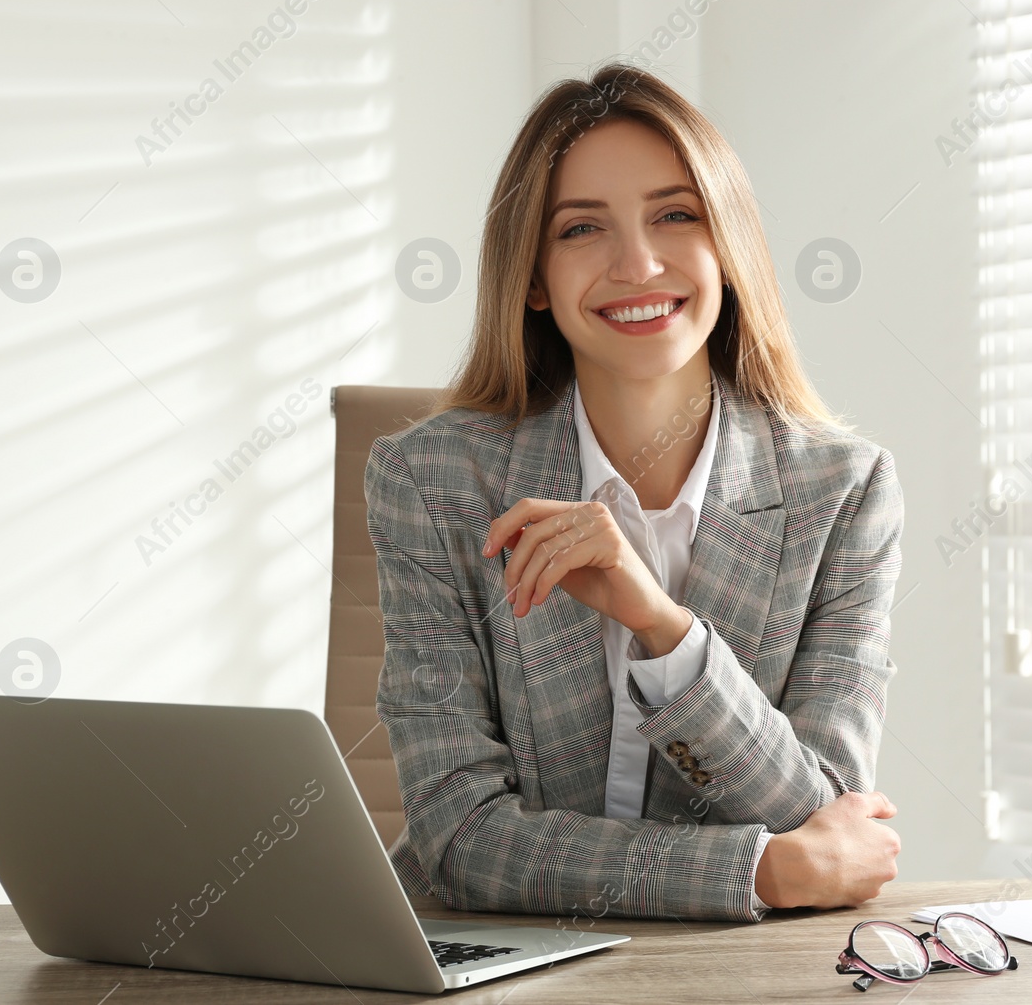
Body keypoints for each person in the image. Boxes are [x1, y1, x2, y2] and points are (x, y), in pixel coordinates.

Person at [366, 62, 903, 923]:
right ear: (534, 278)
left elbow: (823, 814)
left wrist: (664, 627)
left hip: (735, 977)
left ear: (727, 246)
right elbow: (458, 838)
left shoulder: (843, 491)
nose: (639, 262)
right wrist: (755, 872)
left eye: (675, 215)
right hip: (493, 965)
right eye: (582, 228)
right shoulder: (432, 482)